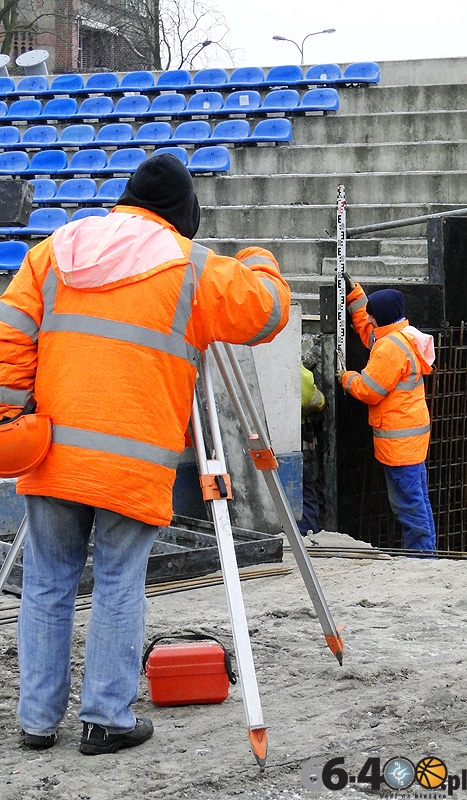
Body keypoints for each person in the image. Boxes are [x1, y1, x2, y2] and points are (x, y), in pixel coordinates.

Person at [0, 154, 291, 754]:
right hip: (131, 466)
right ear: (186, 215)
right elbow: (266, 313)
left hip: (51, 454)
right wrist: (260, 263)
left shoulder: (53, 250)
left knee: (48, 584)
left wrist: (10, 418)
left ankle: (35, 720)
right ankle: (105, 718)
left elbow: (8, 337)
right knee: (117, 582)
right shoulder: (191, 266)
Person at [336, 275, 436, 554]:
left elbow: (370, 389)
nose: (369, 320)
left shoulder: (390, 348)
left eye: (372, 315)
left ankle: (422, 560)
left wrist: (346, 378)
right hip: (409, 440)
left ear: (380, 317)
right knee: (418, 501)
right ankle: (428, 555)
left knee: (409, 505)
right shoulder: (401, 335)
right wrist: (355, 296)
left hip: (399, 444)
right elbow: (368, 330)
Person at [298, 364, 325, 537]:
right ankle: (308, 537)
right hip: (300, 437)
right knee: (305, 491)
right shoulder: (289, 362)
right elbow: (313, 398)